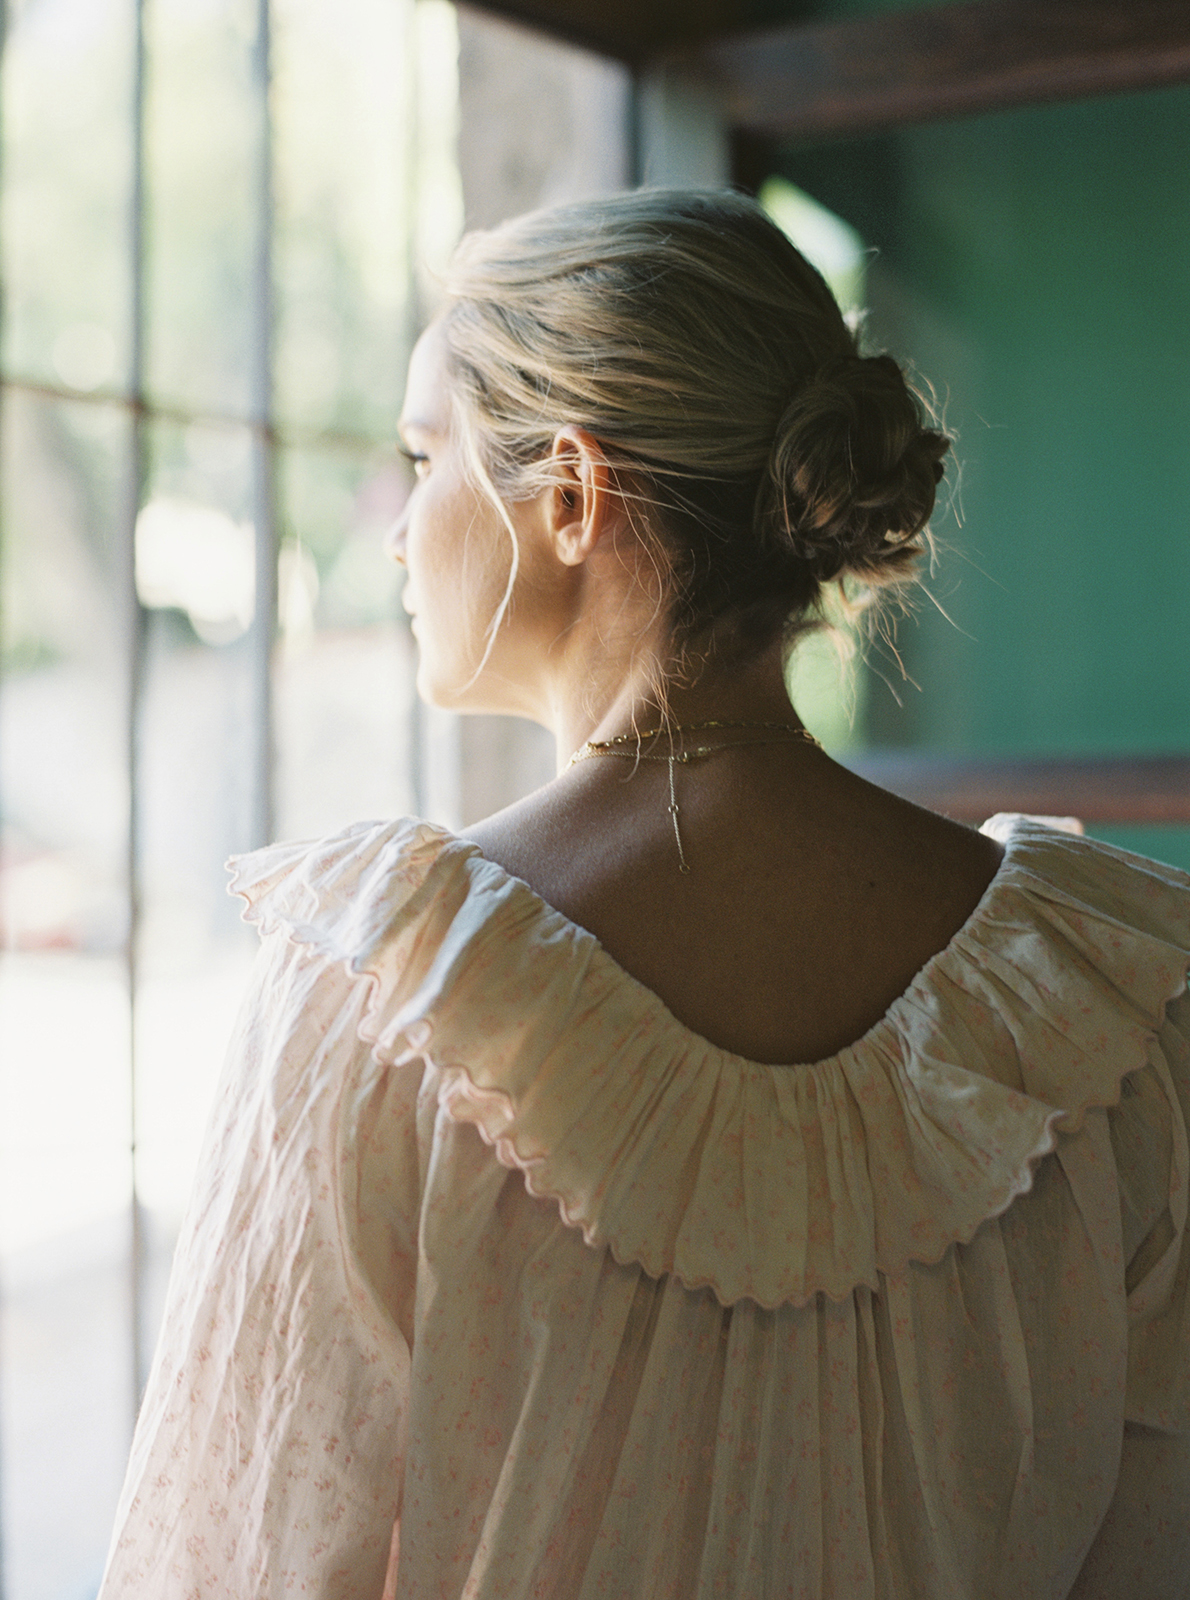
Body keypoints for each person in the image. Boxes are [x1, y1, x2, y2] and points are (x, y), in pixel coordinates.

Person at [98, 189, 1190, 1599]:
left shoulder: (382, 1001)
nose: (393, 526)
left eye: (422, 454)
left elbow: (239, 1561)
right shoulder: (1103, 1015)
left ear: (567, 492)